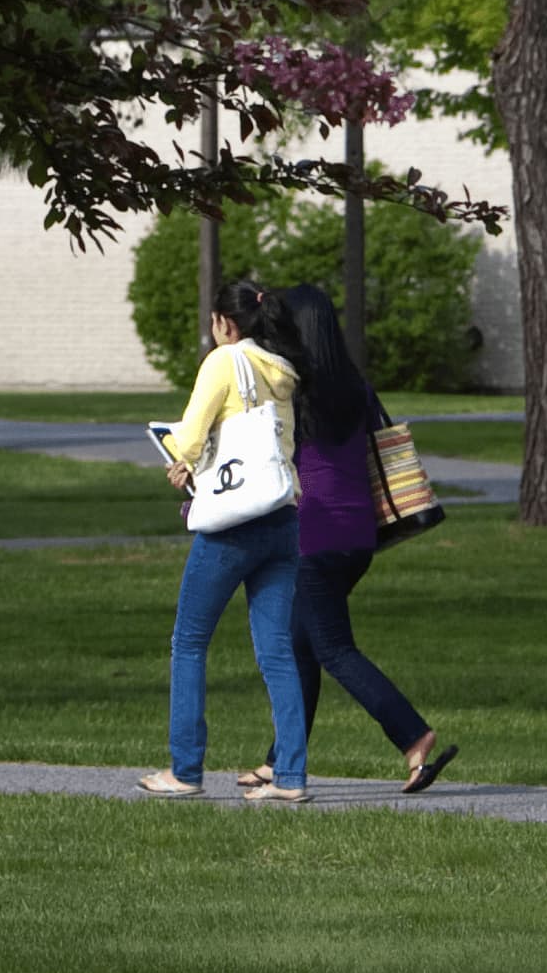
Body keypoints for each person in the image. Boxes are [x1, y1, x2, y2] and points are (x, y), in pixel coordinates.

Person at [240, 284, 458, 797]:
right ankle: (280, 760)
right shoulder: (354, 385)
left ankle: (412, 735)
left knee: (333, 647)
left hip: (313, 535)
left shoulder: (291, 388)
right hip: (358, 535)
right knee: (301, 644)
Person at [138, 282, 312, 804]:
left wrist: (176, 454)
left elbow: (189, 439)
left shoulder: (223, 361)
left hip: (231, 522)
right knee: (277, 651)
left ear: (224, 323)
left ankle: (185, 768)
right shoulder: (280, 372)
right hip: (281, 517)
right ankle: (291, 777)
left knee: (189, 642)